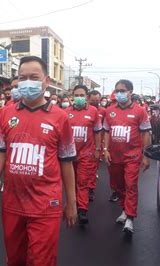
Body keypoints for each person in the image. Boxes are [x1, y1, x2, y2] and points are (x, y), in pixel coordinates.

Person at [0, 56, 78, 265]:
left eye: (33, 77)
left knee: (41, 261)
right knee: (15, 259)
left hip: (46, 205)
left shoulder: (60, 117)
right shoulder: (7, 113)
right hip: (12, 203)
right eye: (22, 77)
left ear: (46, 80)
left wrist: (71, 202)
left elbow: (66, 162)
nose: (27, 82)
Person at [103, 79, 151, 235]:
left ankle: (130, 218)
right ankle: (124, 209)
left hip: (132, 156)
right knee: (117, 186)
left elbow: (146, 134)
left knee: (130, 185)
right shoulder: (110, 110)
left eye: (122, 90)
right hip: (114, 156)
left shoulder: (140, 111)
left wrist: (145, 155)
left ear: (130, 92)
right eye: (117, 91)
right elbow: (106, 131)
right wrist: (105, 149)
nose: (119, 93)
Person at [65, 85, 103, 225]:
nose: (79, 97)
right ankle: (74, 204)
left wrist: (98, 149)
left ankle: (82, 210)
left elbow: (97, 131)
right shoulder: (66, 112)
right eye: (76, 95)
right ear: (72, 96)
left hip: (86, 153)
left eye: (81, 95)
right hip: (69, 154)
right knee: (72, 181)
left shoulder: (93, 112)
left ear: (86, 97)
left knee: (82, 181)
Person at [87, 90, 107, 202]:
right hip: (84, 144)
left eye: (97, 100)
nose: (95, 102)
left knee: (93, 167)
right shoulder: (85, 111)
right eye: (93, 100)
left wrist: (101, 144)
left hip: (98, 142)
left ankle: (90, 188)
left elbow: (105, 128)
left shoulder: (103, 111)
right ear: (88, 99)